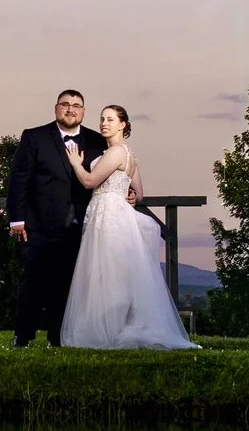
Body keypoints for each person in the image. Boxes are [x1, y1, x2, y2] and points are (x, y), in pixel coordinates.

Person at [57, 105, 198, 350]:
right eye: (102, 119)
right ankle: (117, 324)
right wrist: (132, 197)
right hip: (114, 212)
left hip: (108, 214)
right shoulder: (127, 154)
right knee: (115, 272)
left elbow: (90, 181)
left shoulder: (116, 152)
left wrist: (76, 164)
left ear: (123, 124)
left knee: (108, 272)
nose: (104, 123)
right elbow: (140, 193)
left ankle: (107, 329)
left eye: (110, 119)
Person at [4, 89, 103, 349]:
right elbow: (19, 179)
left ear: (84, 111)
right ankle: (23, 336)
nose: (71, 109)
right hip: (38, 225)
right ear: (56, 108)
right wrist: (17, 219)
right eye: (65, 105)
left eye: (77, 106)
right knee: (33, 281)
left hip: (81, 225)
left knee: (67, 284)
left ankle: (57, 338)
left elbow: (108, 174)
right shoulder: (34, 137)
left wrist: (128, 194)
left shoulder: (96, 141)